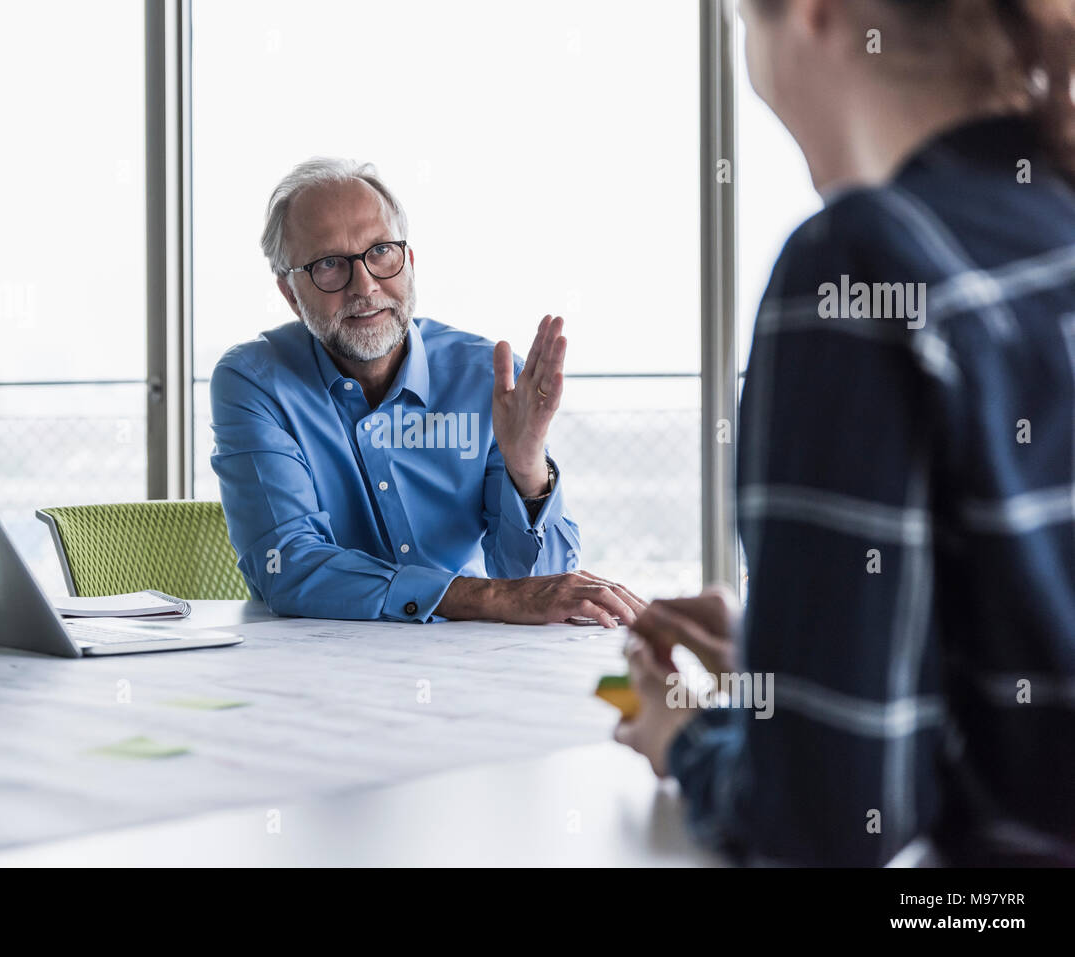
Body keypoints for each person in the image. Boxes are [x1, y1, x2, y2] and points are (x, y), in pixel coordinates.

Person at [616, 0, 1075, 865]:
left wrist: (689, 733)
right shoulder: (1048, 222)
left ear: (813, 16)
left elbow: (824, 818)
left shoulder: (860, 265)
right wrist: (785, 651)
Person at [210, 158, 645, 626]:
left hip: (475, 662)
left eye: (380, 252)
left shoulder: (489, 378)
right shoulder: (255, 382)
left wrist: (527, 469)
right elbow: (289, 567)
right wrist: (485, 599)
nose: (365, 285)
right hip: (313, 668)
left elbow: (541, 584)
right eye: (329, 264)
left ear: (409, 263)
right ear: (291, 294)